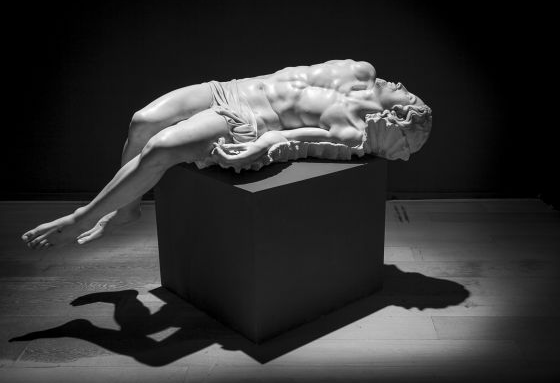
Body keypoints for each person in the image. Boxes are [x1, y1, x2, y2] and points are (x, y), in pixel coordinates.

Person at [21, 59, 432, 249]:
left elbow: (294, 140)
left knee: (160, 147)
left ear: (398, 118)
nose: (402, 86)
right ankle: (128, 207)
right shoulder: (363, 71)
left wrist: (260, 147)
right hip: (229, 88)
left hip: (248, 118)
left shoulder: (353, 131)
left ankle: (81, 217)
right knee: (142, 120)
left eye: (408, 97)